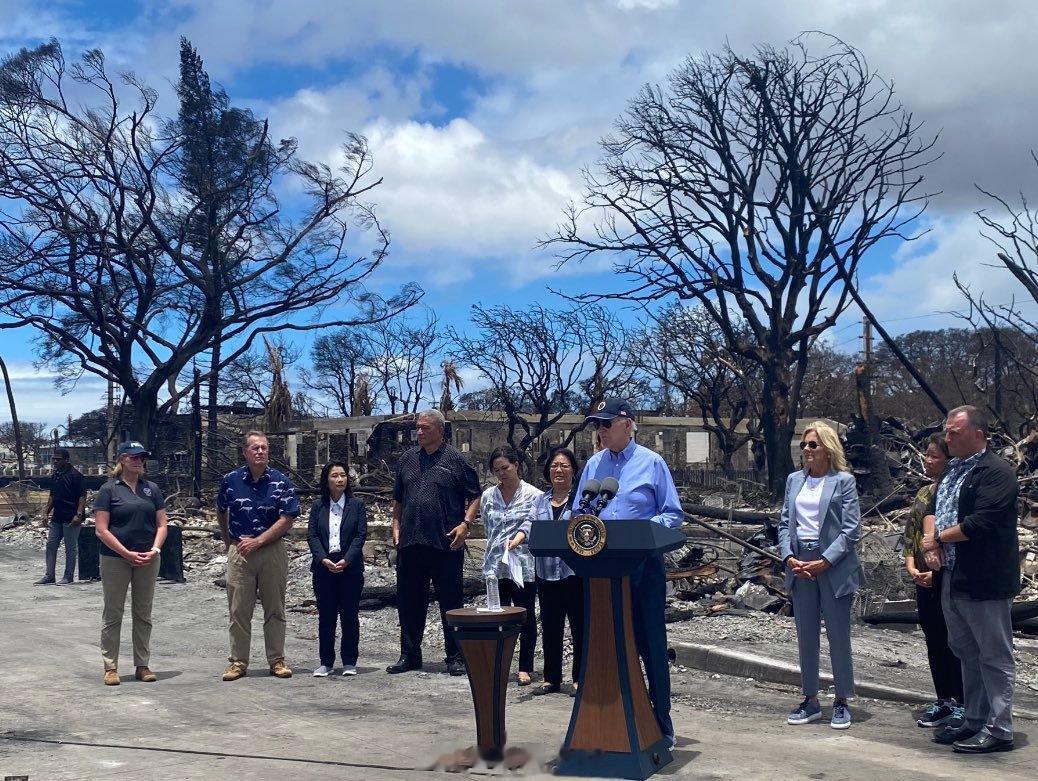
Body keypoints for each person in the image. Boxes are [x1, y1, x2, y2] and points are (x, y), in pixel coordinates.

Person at [572, 398, 683, 748]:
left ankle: (661, 725)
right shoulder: (594, 465)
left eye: (606, 424)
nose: (600, 430)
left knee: (651, 645)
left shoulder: (652, 462)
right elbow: (578, 513)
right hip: (601, 572)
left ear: (627, 424)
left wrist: (641, 532)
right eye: (597, 425)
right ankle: (614, 721)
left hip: (643, 568)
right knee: (605, 646)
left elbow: (672, 514)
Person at [922, 405, 1019, 754]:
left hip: (984, 580)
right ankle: (975, 719)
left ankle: (1000, 729)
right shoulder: (953, 470)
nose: (947, 438)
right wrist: (930, 542)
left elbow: (981, 523)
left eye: (954, 432)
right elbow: (933, 508)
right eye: (946, 431)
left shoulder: (996, 472)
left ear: (978, 434)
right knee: (966, 651)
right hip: (954, 577)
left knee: (994, 655)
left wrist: (938, 539)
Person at [779, 421, 862, 730]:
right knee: (806, 635)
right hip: (800, 563)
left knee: (838, 635)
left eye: (812, 444)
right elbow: (784, 522)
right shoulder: (794, 480)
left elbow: (851, 529)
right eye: (803, 445)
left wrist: (825, 561)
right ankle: (810, 699)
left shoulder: (843, 481)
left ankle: (841, 700)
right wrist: (788, 556)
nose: (806, 450)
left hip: (832, 565)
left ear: (828, 448)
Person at [388, 409, 481, 676]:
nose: (419, 432)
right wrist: (395, 525)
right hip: (410, 542)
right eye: (418, 427)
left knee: (451, 601)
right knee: (409, 602)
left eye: (425, 428)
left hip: (445, 543)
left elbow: (475, 495)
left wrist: (465, 524)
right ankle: (409, 655)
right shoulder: (407, 460)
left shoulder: (456, 460)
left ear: (440, 430)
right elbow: (398, 498)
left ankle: (455, 656)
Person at [217, 430, 301, 681]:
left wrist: (259, 541)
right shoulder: (231, 480)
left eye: (264, 447)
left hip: (271, 551)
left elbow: (287, 518)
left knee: (275, 608)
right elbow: (221, 510)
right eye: (255, 448)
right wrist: (229, 542)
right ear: (245, 452)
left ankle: (277, 660)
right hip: (240, 552)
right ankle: (238, 662)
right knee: (238, 610)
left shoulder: (281, 481)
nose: (261, 452)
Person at [93, 441, 168, 686]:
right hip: (115, 558)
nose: (138, 461)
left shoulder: (151, 489)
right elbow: (101, 529)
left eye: (141, 457)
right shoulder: (108, 490)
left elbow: (162, 524)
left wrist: (155, 549)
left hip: (147, 557)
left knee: (143, 612)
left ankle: (142, 664)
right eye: (133, 457)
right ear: (122, 459)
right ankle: (111, 667)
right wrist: (125, 553)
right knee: (113, 612)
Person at [903, 433, 963, 728]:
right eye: (926, 455)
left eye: (934, 456)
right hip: (922, 579)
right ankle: (943, 699)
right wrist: (911, 566)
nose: (927, 461)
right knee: (934, 640)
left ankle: (961, 700)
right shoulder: (923, 494)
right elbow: (911, 534)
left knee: (955, 640)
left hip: (946, 577)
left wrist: (934, 572)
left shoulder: (955, 493)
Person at [522, 447, 584, 695]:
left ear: (573, 471)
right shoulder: (540, 500)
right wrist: (518, 538)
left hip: (573, 572)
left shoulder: (580, 500)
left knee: (579, 627)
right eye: (554, 466)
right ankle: (551, 678)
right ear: (548, 471)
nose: (559, 470)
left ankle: (579, 677)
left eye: (564, 466)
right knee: (550, 626)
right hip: (546, 572)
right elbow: (529, 524)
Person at [479, 445, 542, 685]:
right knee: (497, 617)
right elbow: (488, 527)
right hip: (496, 566)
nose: (501, 474)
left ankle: (525, 666)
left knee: (525, 617)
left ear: (516, 465)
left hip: (523, 566)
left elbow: (535, 527)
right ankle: (499, 663)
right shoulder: (488, 496)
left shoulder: (534, 495)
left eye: (505, 468)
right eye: (497, 470)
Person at [308, 461, 367, 677]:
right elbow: (312, 535)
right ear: (326, 480)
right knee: (327, 616)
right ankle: (326, 662)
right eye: (334, 476)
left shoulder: (357, 505)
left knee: (349, 615)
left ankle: (349, 661)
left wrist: (347, 559)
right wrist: (322, 559)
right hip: (324, 568)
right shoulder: (318, 506)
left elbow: (360, 535)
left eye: (343, 475)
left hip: (350, 568)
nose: (339, 479)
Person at [35, 447, 87, 585]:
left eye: (58, 459)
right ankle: (49, 576)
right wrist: (46, 512)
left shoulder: (75, 475)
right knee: (51, 545)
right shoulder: (55, 475)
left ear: (66, 460)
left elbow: (82, 496)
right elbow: (52, 496)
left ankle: (68, 576)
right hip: (57, 517)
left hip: (71, 518)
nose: (55, 462)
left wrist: (78, 514)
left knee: (70, 548)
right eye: (54, 459)